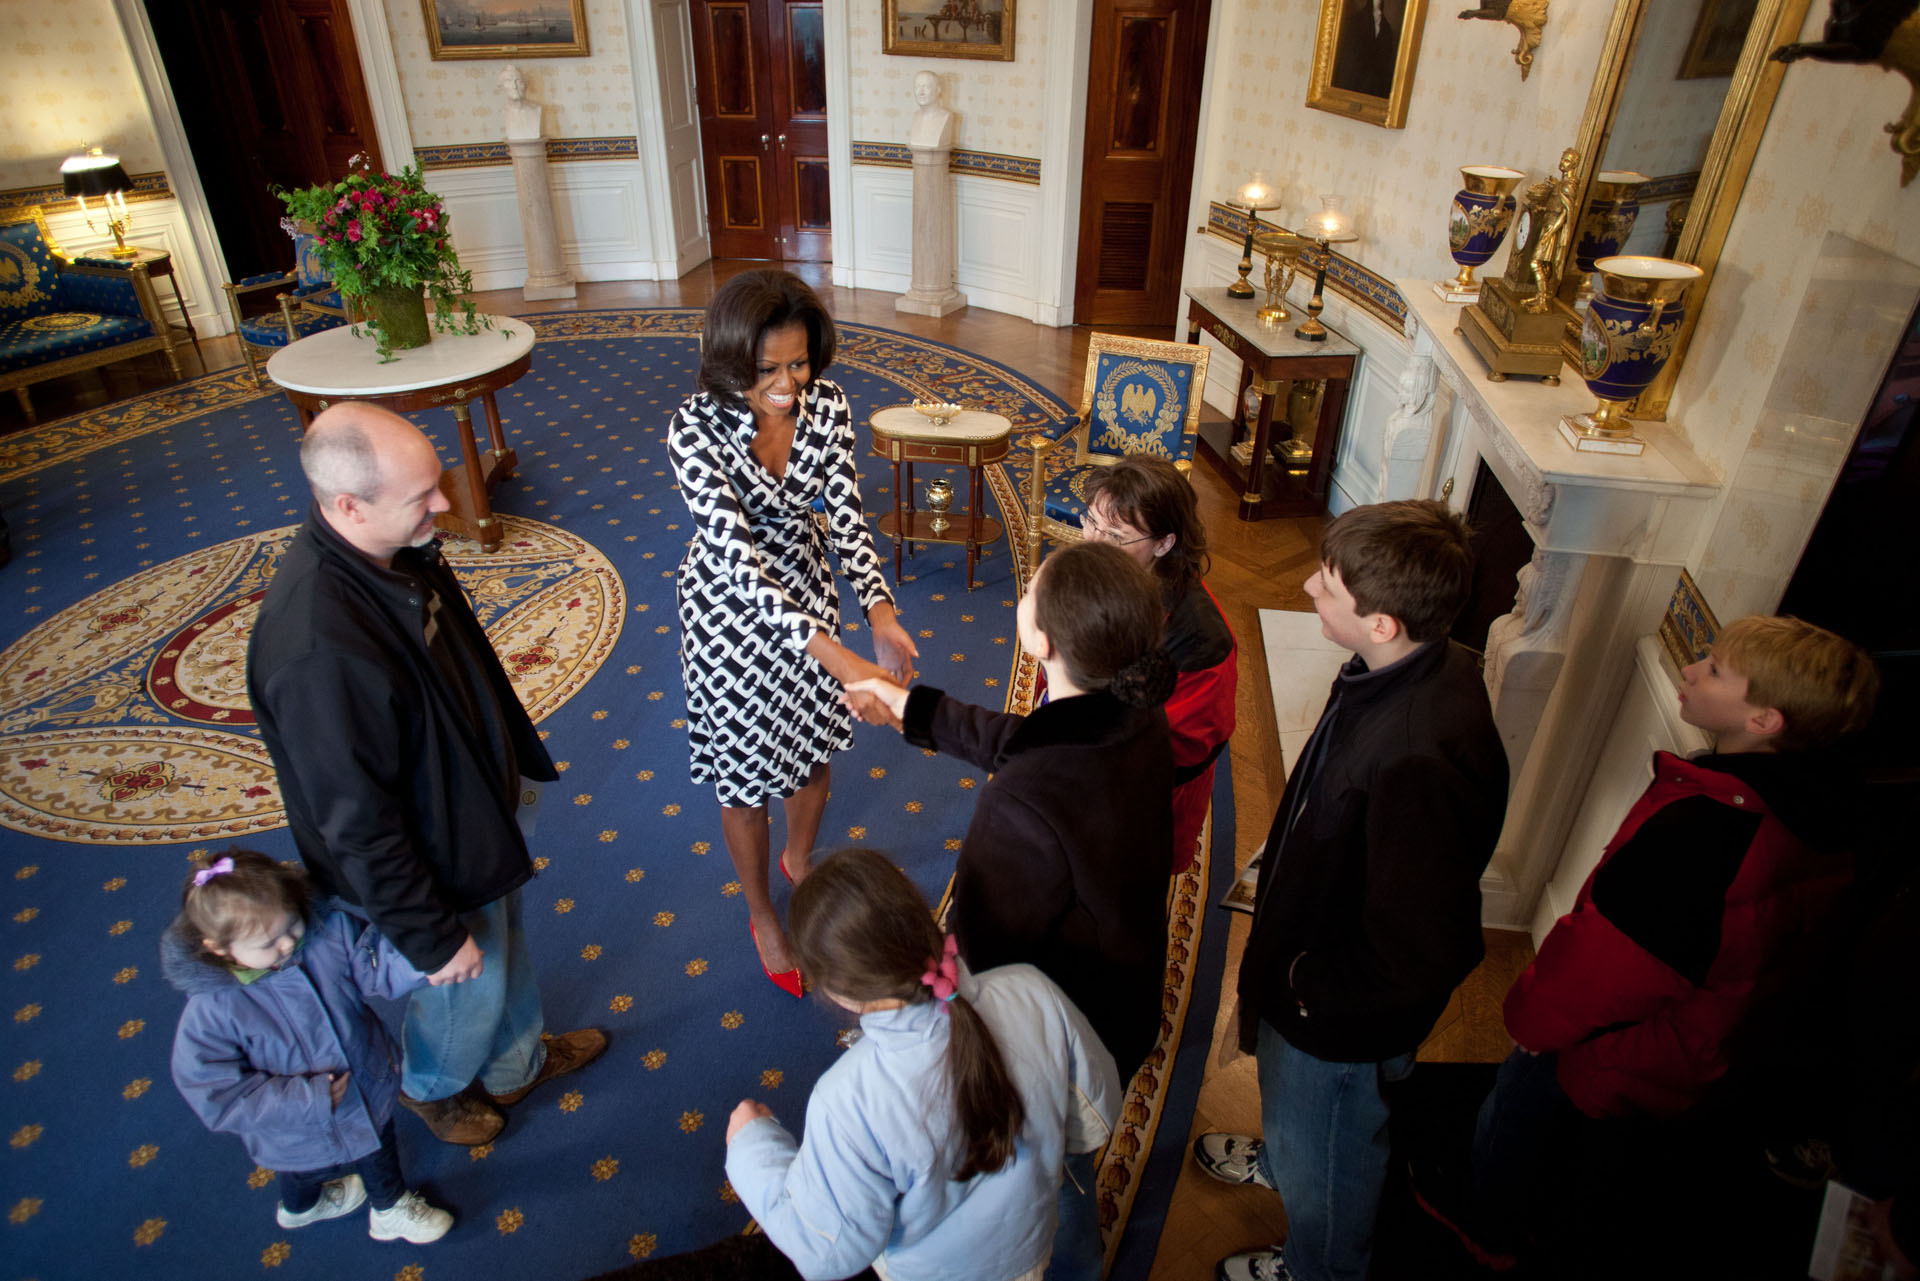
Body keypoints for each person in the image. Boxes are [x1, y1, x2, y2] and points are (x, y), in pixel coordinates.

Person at [1457, 615, 1879, 1271]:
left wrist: (1532, 1023)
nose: (1689, 669)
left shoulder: (1704, 834)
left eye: (1713, 669)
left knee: (1514, 1122)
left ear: (1765, 720)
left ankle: (1488, 1235)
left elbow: (1610, 969)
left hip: (1616, 1048)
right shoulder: (1825, 810)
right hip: (1696, 1048)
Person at [247, 402, 607, 1148]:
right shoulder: (318, 648)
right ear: (348, 505)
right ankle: (431, 1086)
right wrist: (428, 936)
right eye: (423, 496)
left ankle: (517, 1063)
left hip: (468, 811)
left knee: (505, 941)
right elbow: (357, 823)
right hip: (428, 859)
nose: (446, 503)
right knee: (462, 977)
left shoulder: (387, 551)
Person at [1190, 499, 1509, 1281]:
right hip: (1318, 975)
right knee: (1309, 1134)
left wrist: (1306, 986)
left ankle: (1316, 1262)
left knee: (1330, 1164)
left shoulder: (1413, 757)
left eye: (1327, 585)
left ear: (1383, 622)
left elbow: (1415, 946)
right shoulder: (1410, 668)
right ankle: (1293, 1154)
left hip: (1333, 1025)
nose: (1305, 586)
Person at [848, 540, 1176, 1281]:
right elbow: (1023, 741)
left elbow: (984, 947)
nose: (1023, 597)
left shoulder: (1026, 798)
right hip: (1120, 990)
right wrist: (907, 707)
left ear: (1040, 640)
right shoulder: (1132, 709)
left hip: (1055, 1036)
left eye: (1031, 592)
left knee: (1051, 1182)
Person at [669, 269, 918, 998]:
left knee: (810, 745)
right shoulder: (693, 428)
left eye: (799, 363)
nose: (787, 383)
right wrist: (840, 659)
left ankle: (801, 861)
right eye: (768, 368)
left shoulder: (829, 405)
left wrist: (878, 612)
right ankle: (760, 912)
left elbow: (843, 512)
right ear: (729, 361)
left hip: (809, 591)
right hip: (729, 614)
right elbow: (739, 564)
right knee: (745, 778)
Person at [723, 847, 1123, 1281]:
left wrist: (753, 1149)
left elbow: (828, 1250)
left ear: (837, 990)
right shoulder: (1030, 989)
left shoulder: (846, 1101)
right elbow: (1093, 1112)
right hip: (1035, 1244)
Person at [164, 849, 455, 1245]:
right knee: (302, 1171)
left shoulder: (328, 931)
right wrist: (305, 1100)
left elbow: (377, 964)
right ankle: (303, 1207)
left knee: (376, 1149)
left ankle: (389, 1209)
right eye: (268, 943)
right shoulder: (212, 1010)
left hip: (364, 1085)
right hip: (295, 1126)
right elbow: (217, 1091)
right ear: (218, 948)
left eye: (291, 926)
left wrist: (428, 960)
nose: (287, 945)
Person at [1083, 456, 1237, 874]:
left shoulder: (1202, 640)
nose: (1094, 542)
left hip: (1142, 804)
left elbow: (1181, 750)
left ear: (1164, 544)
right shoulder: (1108, 572)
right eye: (1091, 522)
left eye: (1115, 535)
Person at [1330, 0, 1398, 100]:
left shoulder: (1386, 28)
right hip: (1353, 85)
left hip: (1375, 92)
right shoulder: (1355, 21)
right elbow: (1348, 61)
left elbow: (1385, 65)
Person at [908, 70, 955, 151]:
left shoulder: (945, 117)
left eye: (926, 87)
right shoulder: (915, 116)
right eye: (917, 87)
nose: (921, 92)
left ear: (938, 90)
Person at [500, 64, 542, 141]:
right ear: (501, 87)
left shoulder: (536, 109)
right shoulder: (504, 112)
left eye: (518, 81)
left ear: (525, 85)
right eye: (508, 81)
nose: (514, 86)